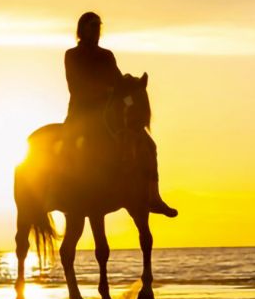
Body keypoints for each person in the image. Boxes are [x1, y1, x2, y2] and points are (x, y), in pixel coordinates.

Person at [64, 11, 177, 217]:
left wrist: (131, 84)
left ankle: (154, 196)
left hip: (108, 113)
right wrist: (104, 90)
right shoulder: (72, 55)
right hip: (81, 114)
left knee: (149, 144)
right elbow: (75, 85)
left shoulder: (107, 55)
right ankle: (68, 190)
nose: (96, 30)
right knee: (68, 145)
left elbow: (117, 80)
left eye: (98, 26)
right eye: (92, 26)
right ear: (82, 30)